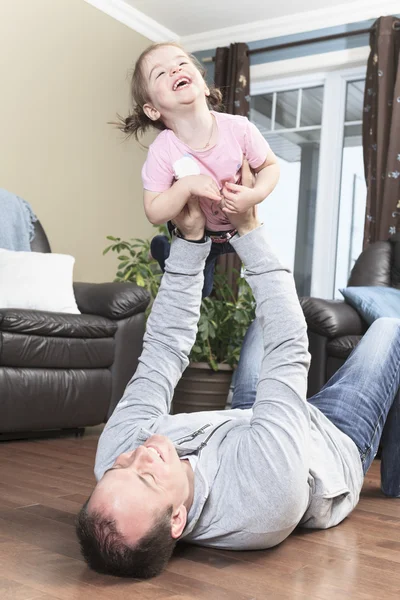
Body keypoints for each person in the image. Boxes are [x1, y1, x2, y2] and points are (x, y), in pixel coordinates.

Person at [76, 195, 400, 580]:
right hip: (332, 441)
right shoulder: (262, 498)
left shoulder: (118, 458)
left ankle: (204, 256)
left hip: (250, 419)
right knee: (389, 328)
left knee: (269, 315)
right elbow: (289, 347)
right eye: (146, 477)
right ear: (177, 520)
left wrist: (188, 243)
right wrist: (248, 230)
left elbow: (161, 351)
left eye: (120, 467)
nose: (138, 456)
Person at [115, 41, 280, 297]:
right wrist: (186, 185)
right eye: (160, 73)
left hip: (240, 228)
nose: (174, 70)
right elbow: (154, 211)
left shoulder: (239, 129)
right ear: (152, 110)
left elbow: (269, 165)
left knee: (268, 276)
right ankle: (163, 249)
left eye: (181, 63)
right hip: (201, 236)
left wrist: (255, 194)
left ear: (204, 86)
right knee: (201, 291)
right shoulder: (163, 150)